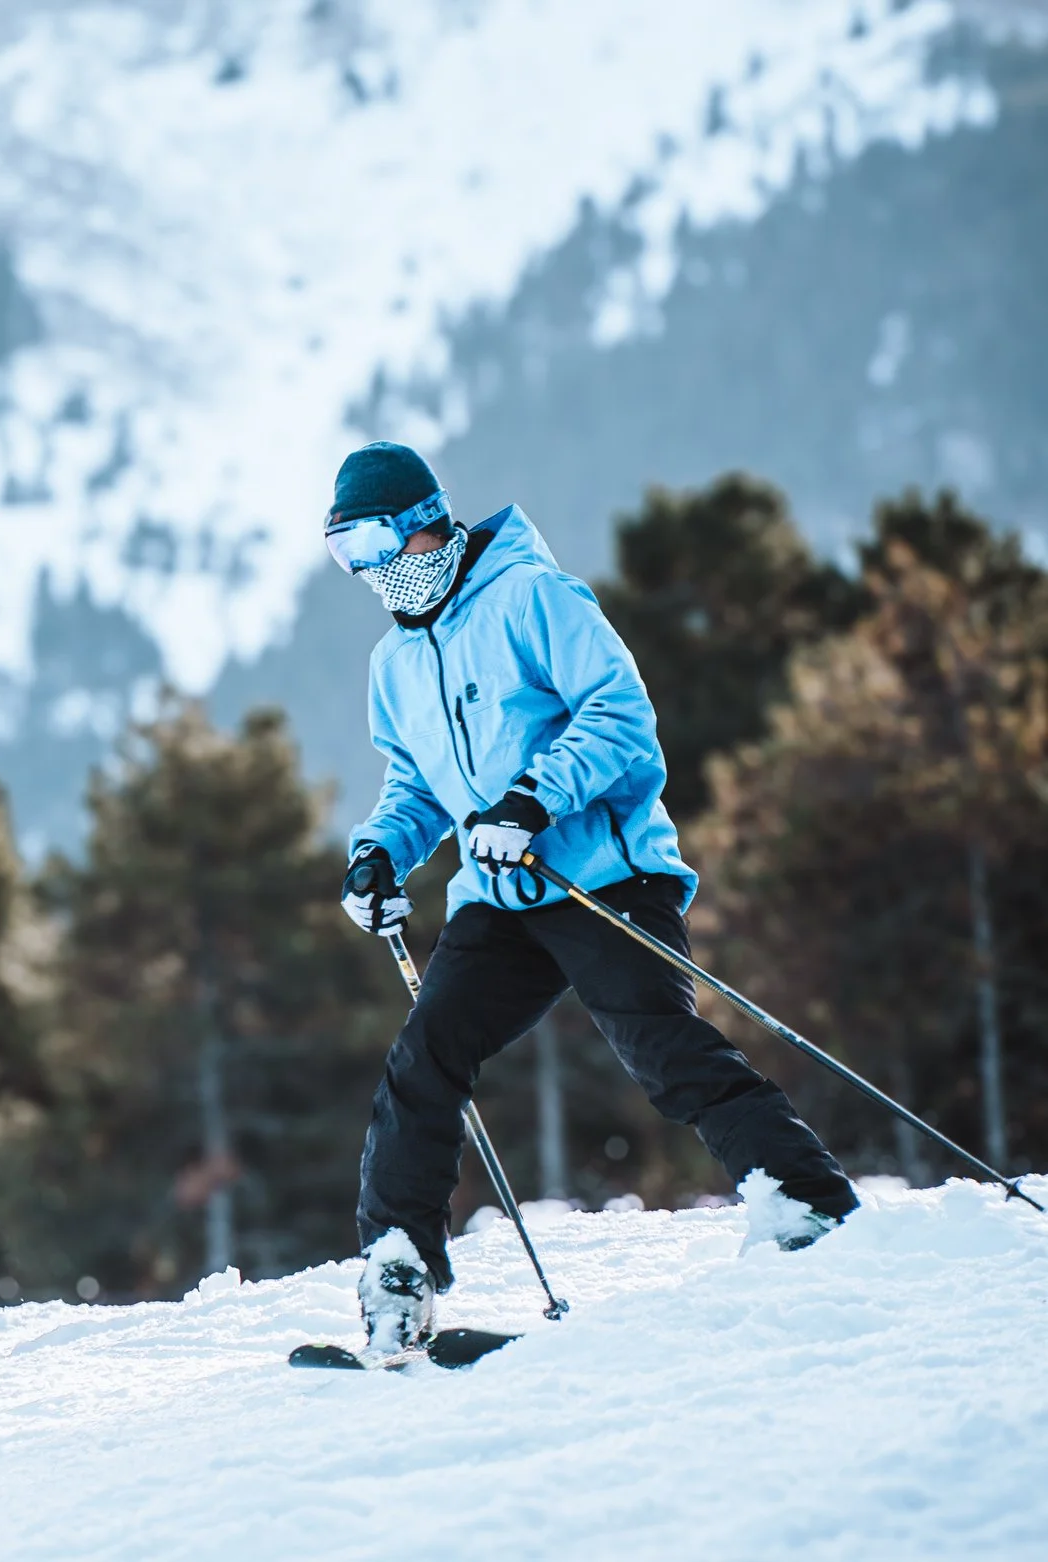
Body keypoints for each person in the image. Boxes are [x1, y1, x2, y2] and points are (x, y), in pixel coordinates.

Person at [326, 442, 857, 1357]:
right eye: (346, 554)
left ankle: (806, 1201)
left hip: (602, 872)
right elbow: (414, 785)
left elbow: (619, 715)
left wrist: (534, 799)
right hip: (499, 896)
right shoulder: (394, 663)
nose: (369, 570)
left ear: (426, 523)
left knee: (663, 1050)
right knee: (424, 1058)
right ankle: (399, 1268)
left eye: (375, 543)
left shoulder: (536, 597)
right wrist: (378, 855)